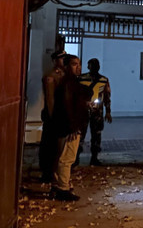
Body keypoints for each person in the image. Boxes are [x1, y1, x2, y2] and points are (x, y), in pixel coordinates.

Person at [52, 55, 92, 201]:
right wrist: (73, 127)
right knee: (67, 158)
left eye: (79, 64)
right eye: (75, 64)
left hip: (69, 125)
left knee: (63, 157)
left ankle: (59, 185)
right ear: (67, 66)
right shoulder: (67, 84)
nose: (78, 67)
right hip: (69, 127)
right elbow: (67, 106)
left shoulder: (71, 82)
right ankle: (62, 188)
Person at [76, 58, 112, 166]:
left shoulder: (103, 80)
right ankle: (76, 157)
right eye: (92, 65)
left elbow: (107, 96)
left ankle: (94, 157)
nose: (94, 67)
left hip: (97, 112)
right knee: (80, 136)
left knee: (96, 136)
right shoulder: (81, 79)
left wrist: (108, 111)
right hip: (83, 111)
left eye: (95, 65)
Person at [39, 50, 66, 182]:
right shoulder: (51, 76)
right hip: (53, 116)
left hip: (60, 114)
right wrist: (53, 117)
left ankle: (53, 170)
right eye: (61, 59)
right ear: (55, 61)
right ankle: (47, 172)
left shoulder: (64, 75)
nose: (63, 61)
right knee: (49, 145)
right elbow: (50, 99)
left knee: (58, 146)